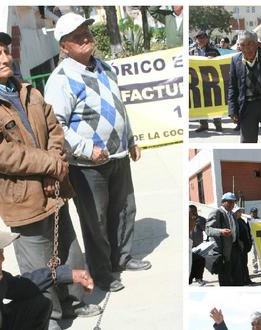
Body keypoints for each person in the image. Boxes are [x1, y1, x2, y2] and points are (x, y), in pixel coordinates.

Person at [0, 32, 100, 329]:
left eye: (5, 51)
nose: (4, 58)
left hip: (55, 188)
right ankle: (49, 317)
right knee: (38, 263)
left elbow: (55, 132)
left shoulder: (28, 91)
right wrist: (50, 167)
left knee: (67, 249)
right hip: (23, 198)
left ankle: (73, 301)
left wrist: (55, 169)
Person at [43, 13, 151, 294]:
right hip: (87, 165)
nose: (87, 38)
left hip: (117, 156)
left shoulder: (104, 67)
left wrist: (130, 140)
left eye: (87, 32)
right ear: (64, 46)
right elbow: (57, 126)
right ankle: (102, 274)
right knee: (97, 220)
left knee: (125, 210)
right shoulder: (61, 79)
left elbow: (119, 108)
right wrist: (87, 149)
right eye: (78, 37)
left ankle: (122, 258)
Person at [205, 192, 243, 286]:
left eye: (233, 202)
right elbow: (208, 229)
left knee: (237, 276)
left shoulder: (232, 214)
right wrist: (221, 231)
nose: (232, 204)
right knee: (226, 278)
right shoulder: (217, 212)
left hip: (234, 248)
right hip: (224, 251)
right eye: (230, 202)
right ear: (223, 202)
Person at [190, 30, 223, 133]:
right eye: (199, 38)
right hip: (197, 82)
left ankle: (218, 124)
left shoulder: (214, 51)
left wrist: (214, 59)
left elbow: (221, 62)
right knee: (200, 103)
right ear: (196, 39)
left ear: (207, 39)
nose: (201, 40)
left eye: (203, 38)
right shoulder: (191, 52)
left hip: (211, 81)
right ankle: (203, 124)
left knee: (214, 101)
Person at [234, 206, 253, 285]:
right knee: (241, 265)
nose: (240, 212)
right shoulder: (234, 222)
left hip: (245, 247)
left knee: (244, 264)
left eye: (240, 211)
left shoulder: (241, 220)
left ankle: (247, 280)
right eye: (238, 211)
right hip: (239, 247)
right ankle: (242, 281)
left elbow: (247, 231)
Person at [189, 205, 207, 286]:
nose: (192, 213)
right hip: (189, 245)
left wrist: (199, 223)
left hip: (199, 245)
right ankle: (190, 278)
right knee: (190, 263)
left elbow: (206, 230)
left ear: (196, 211)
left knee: (200, 262)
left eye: (193, 211)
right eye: (190, 212)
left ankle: (199, 278)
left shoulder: (201, 219)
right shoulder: (187, 219)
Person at [249, 207, 261, 273]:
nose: (255, 213)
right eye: (253, 212)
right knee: (254, 255)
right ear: (250, 213)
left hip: (259, 239)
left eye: (256, 212)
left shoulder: (259, 220)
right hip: (252, 240)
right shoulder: (248, 220)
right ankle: (255, 267)